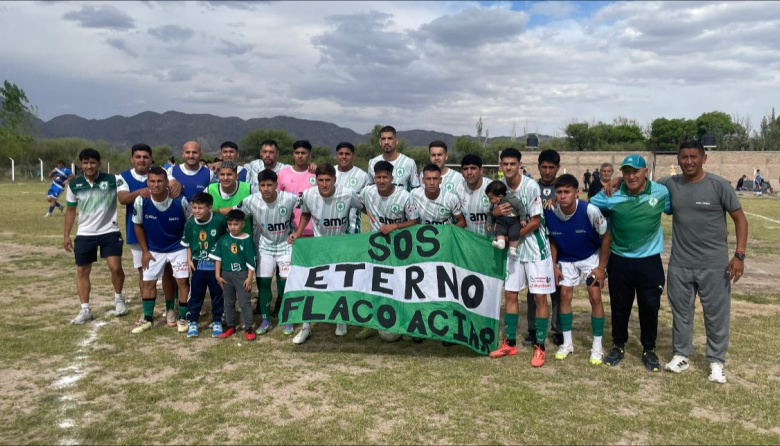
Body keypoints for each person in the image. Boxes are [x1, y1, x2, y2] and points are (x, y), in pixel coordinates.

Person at [657, 140, 748, 383]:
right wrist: (615, 181)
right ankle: (681, 355)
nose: (688, 161)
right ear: (678, 160)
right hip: (680, 263)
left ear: (703, 159)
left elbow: (740, 219)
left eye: (693, 157)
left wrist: (739, 255)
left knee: (716, 315)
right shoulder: (671, 184)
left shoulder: (719, 186)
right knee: (681, 313)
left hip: (715, 265)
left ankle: (716, 362)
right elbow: (641, 184)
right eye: (684, 157)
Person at [589, 154, 670, 371]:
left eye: (635, 171)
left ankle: (649, 349)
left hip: (649, 261)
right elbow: (591, 205)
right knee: (620, 306)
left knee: (650, 306)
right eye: (626, 172)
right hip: (620, 260)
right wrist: (613, 183)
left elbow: (673, 206)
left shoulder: (661, 192)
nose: (631, 176)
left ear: (645, 172)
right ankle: (618, 345)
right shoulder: (613, 194)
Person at [489, 148, 556, 368]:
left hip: (535, 249)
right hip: (513, 251)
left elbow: (536, 221)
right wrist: (494, 215)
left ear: (520, 164)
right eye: (504, 164)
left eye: (512, 164)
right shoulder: (499, 188)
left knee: (539, 298)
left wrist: (512, 235)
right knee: (510, 294)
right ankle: (510, 343)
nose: (508, 167)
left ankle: (540, 346)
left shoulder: (530, 186)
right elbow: (493, 213)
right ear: (500, 166)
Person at [288, 163, 364, 344]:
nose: (324, 184)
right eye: (320, 180)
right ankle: (306, 327)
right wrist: (297, 233)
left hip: (341, 245)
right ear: (316, 181)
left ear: (334, 180)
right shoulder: (309, 194)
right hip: (319, 246)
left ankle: (341, 320)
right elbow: (305, 213)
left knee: (340, 284)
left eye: (328, 180)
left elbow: (365, 208)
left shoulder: (347, 193)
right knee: (311, 285)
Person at [544, 174, 609, 365]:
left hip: (590, 256)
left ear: (577, 193)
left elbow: (605, 237)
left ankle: (597, 346)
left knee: (594, 296)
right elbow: (553, 239)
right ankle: (567, 343)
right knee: (564, 296)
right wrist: (554, 266)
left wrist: (601, 268)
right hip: (566, 258)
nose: (563, 196)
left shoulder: (590, 210)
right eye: (560, 192)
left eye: (567, 192)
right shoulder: (549, 210)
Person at [356, 160, 420, 340]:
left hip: (400, 249)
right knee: (375, 285)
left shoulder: (404, 196)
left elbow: (415, 220)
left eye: (385, 177)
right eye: (378, 177)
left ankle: (406, 324)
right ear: (374, 178)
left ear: (392, 178)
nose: (381, 180)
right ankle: (370, 324)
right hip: (376, 249)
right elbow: (361, 205)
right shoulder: (368, 192)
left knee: (400, 285)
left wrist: (395, 226)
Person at [63, 148, 127, 324]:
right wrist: (66, 235)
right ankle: (85, 310)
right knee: (82, 271)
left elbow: (126, 193)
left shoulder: (113, 180)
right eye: (85, 163)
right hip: (85, 234)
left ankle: (119, 299)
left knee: (115, 267)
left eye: (92, 162)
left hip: (110, 231)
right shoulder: (74, 185)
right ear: (81, 165)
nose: (89, 166)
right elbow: (70, 210)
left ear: (99, 163)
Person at [236, 169, 298, 336]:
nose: (266, 189)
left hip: (285, 245)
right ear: (259, 186)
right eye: (262, 185)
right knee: (263, 283)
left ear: (276, 185)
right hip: (264, 246)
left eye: (269, 185)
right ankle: (265, 320)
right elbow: (236, 215)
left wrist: (297, 232)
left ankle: (288, 318)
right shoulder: (251, 201)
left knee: (286, 284)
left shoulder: (289, 198)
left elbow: (307, 207)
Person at [131, 166, 191, 334]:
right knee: (148, 282)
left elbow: (191, 224)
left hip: (178, 246)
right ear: (148, 182)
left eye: (159, 181)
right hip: (154, 248)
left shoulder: (180, 200)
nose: (156, 185)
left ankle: (182, 317)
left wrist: (188, 249)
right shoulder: (141, 200)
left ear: (166, 182)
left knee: (182, 281)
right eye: (152, 181)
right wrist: (145, 251)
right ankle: (148, 319)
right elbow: (138, 226)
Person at [528, 149, 564, 347]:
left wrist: (559, 199)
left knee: (558, 289)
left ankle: (557, 330)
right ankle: (533, 329)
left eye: (551, 167)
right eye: (544, 167)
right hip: (536, 244)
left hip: (559, 242)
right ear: (538, 167)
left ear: (558, 168)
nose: (547, 171)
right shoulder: (532, 187)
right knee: (535, 289)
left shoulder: (563, 186)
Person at [181, 193, 227, 338]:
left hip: (215, 264)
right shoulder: (190, 223)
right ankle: (193, 321)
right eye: (194, 207)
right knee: (196, 294)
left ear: (210, 208)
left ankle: (217, 321)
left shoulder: (219, 220)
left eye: (201, 208)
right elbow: (188, 244)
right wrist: (189, 260)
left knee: (216, 293)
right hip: (197, 264)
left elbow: (224, 241)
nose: (196, 211)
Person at [210, 209, 257, 341]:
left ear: (242, 224)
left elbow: (250, 260)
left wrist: (249, 278)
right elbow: (217, 258)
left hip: (241, 275)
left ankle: (248, 327)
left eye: (236, 224)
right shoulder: (223, 239)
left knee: (244, 302)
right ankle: (230, 326)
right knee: (228, 301)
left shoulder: (247, 239)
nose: (232, 227)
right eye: (230, 224)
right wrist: (217, 275)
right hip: (226, 275)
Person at [277, 140, 316, 239]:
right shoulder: (282, 174)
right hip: (289, 230)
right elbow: (276, 200)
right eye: (297, 153)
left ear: (309, 155)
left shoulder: (316, 174)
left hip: (313, 230)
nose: (300, 156)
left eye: (303, 153)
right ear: (293, 155)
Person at [367, 125, 420, 190]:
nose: (386, 142)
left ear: (396, 141)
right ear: (380, 142)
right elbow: (370, 189)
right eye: (383, 139)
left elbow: (415, 190)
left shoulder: (409, 163)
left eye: (390, 138)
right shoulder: (372, 163)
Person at [334, 142, 370, 234]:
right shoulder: (330, 172)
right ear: (336, 155)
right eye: (341, 154)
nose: (344, 156)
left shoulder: (362, 176)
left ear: (353, 156)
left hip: (353, 230)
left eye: (347, 154)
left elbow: (368, 203)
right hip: (331, 230)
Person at [208, 161, 252, 234]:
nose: (225, 178)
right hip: (218, 239)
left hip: (244, 240)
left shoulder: (249, 189)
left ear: (237, 176)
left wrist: (218, 211)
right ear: (218, 176)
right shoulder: (209, 190)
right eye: (222, 174)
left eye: (229, 174)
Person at [486, 180, 527, 259]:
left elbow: (521, 208)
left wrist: (522, 219)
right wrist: (489, 223)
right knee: (499, 231)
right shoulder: (493, 204)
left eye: (490, 198)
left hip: (513, 222)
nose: (489, 200)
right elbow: (490, 214)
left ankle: (513, 249)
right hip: (501, 221)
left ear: (500, 196)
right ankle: (501, 243)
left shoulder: (513, 200)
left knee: (514, 233)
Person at [459, 155, 492, 237]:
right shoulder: (458, 189)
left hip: (491, 242)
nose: (469, 172)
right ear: (462, 172)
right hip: (469, 243)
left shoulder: (492, 187)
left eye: (473, 168)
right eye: (465, 169)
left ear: (481, 170)